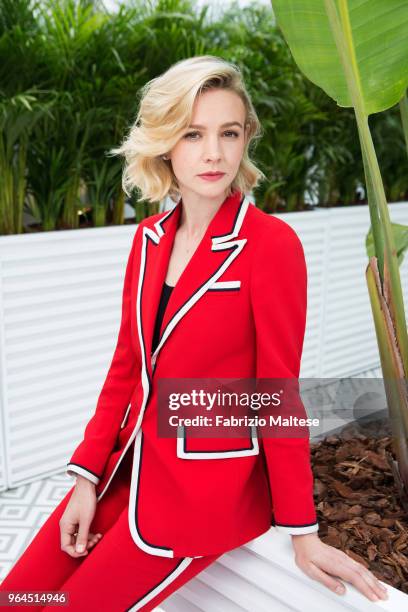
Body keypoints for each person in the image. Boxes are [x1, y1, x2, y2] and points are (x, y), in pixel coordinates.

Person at [0, 55, 388, 611]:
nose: (213, 153)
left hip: (198, 499)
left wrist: (302, 530)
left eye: (228, 133)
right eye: (192, 133)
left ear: (245, 137)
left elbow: (277, 394)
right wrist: (86, 478)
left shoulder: (270, 246)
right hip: (124, 473)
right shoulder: (149, 239)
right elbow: (127, 367)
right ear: (166, 144)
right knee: (19, 596)